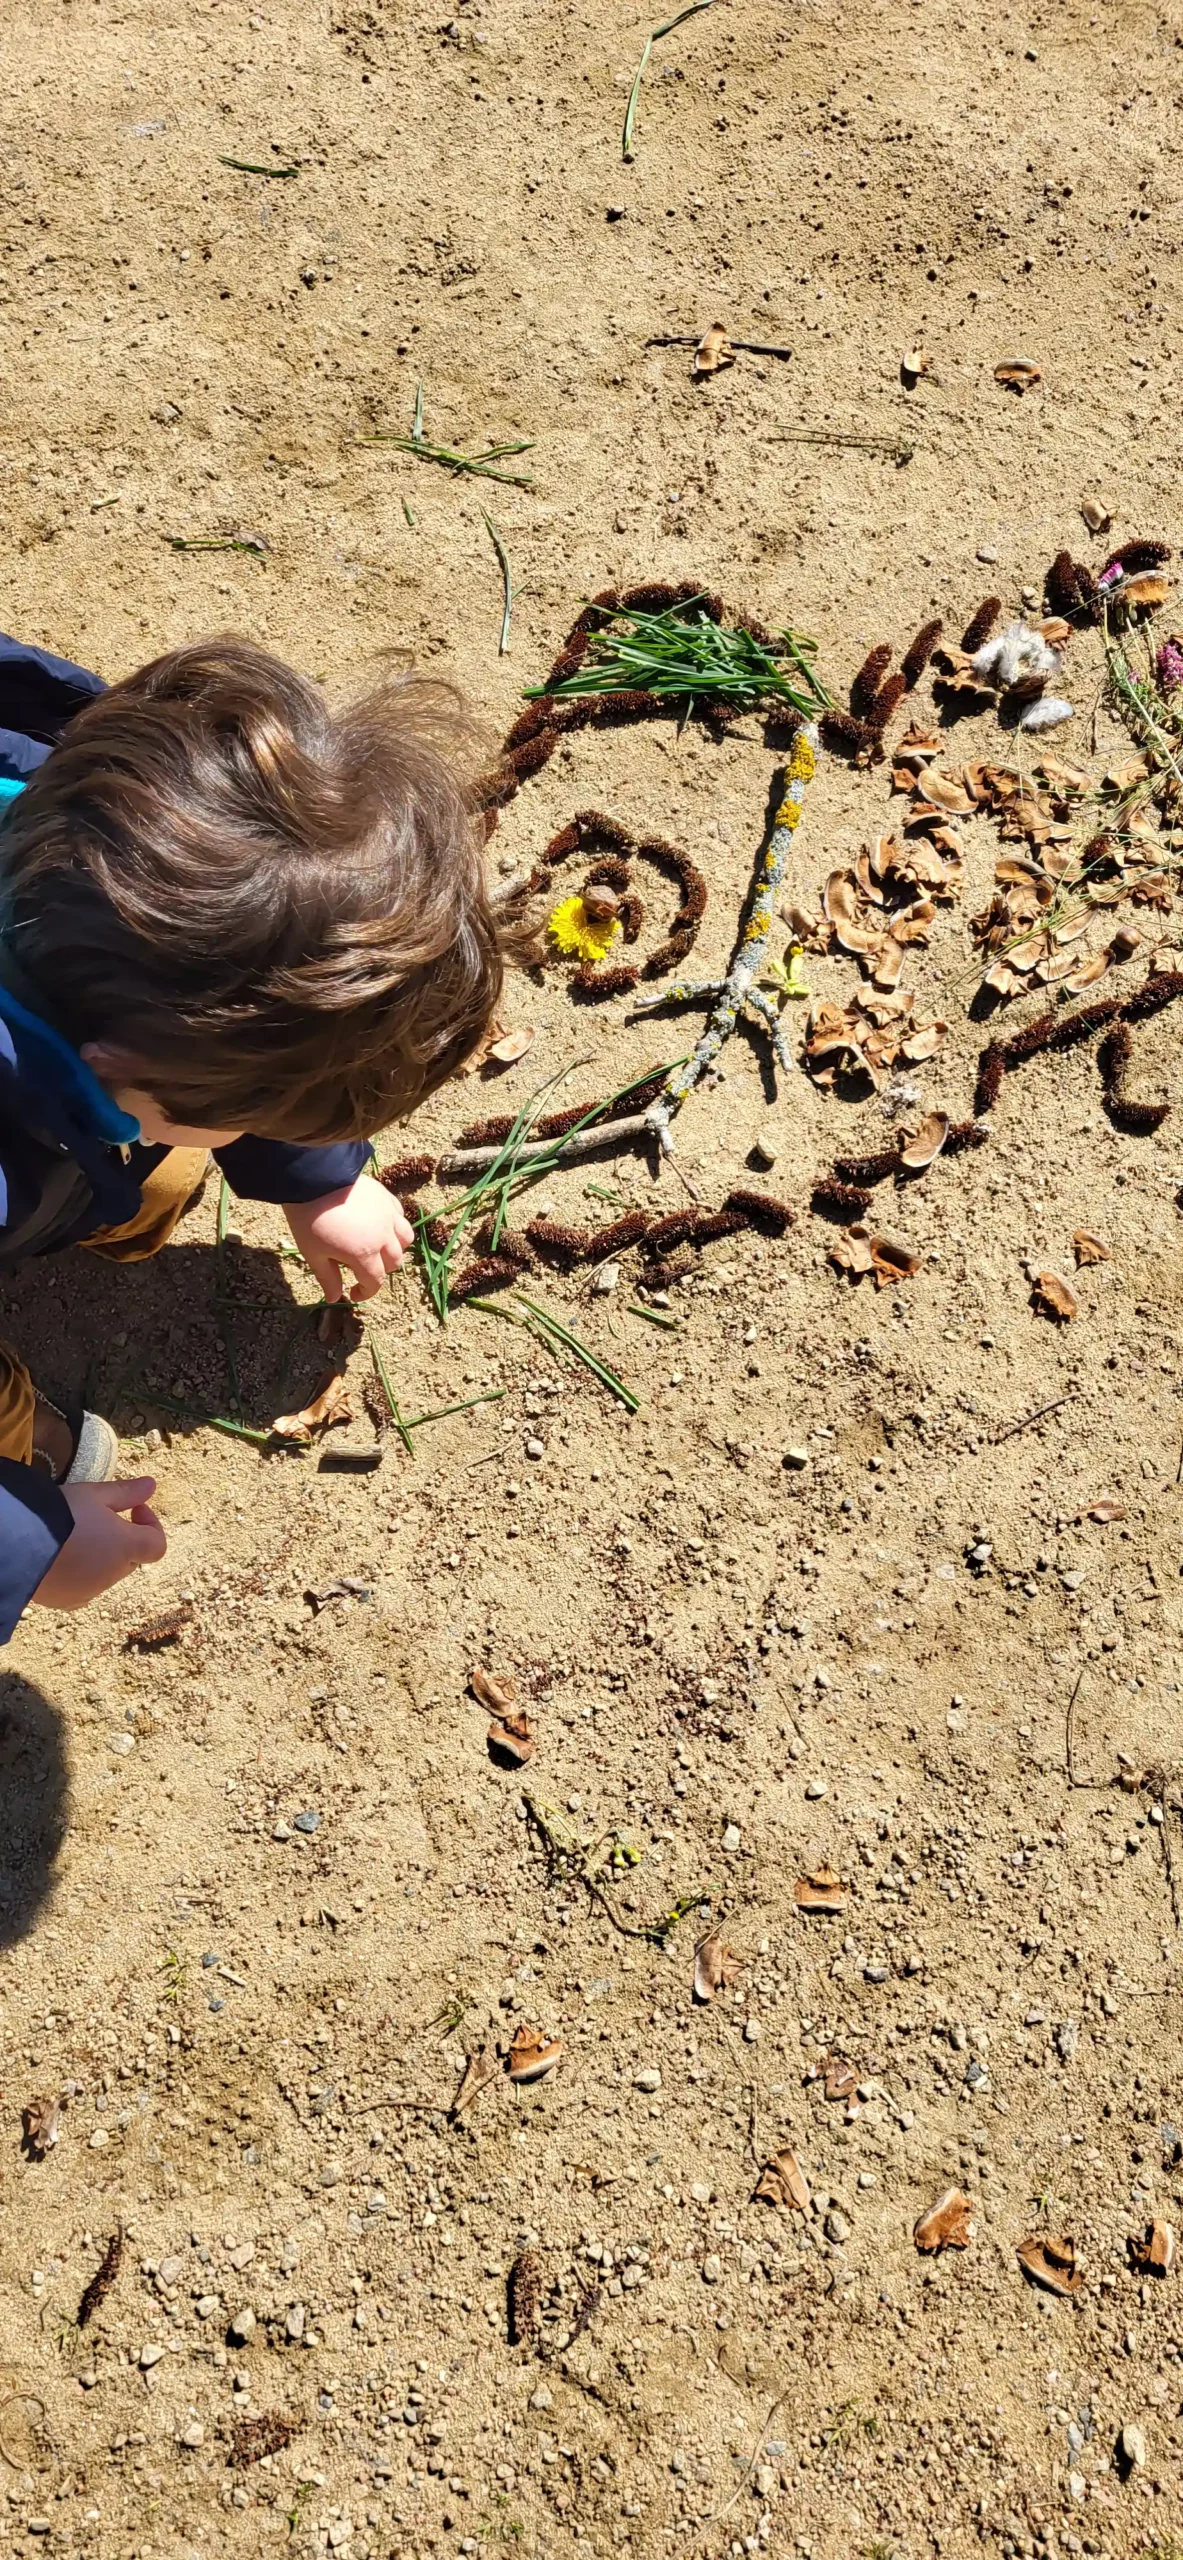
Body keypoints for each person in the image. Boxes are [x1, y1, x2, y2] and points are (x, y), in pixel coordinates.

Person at [0, 630, 505, 1640]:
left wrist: (314, 1176)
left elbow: (227, 973)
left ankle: (105, 1168)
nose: (257, 1130)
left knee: (156, 1167)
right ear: (115, 1061)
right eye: (255, 1112)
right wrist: (31, 1541)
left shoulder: (98, 802)